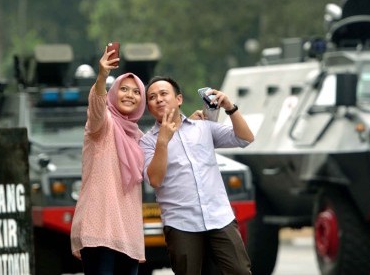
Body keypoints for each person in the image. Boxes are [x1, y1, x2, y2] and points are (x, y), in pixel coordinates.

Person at [139, 76, 254, 275]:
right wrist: (163, 141)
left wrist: (230, 108)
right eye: (152, 97)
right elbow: (155, 180)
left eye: (164, 93)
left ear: (179, 99)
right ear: (149, 107)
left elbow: (245, 138)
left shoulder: (203, 127)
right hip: (181, 223)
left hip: (219, 217)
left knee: (240, 271)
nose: (159, 99)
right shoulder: (147, 142)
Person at [70, 46, 146, 275]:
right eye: (123, 89)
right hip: (99, 231)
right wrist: (102, 76)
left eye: (136, 92)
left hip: (128, 235)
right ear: (113, 93)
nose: (129, 95)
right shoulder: (102, 126)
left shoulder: (138, 136)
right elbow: (96, 107)